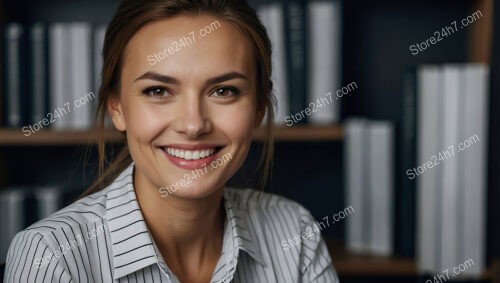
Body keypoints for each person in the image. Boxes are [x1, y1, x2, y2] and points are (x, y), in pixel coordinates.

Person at [4, 0, 339, 282]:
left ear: (259, 111)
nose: (193, 125)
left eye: (224, 91)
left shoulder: (294, 232)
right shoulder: (50, 256)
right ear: (117, 108)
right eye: (158, 91)